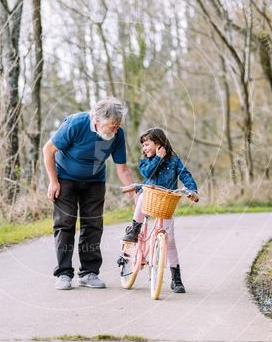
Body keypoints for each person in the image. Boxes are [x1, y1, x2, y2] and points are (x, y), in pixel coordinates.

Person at [42, 98, 136, 290]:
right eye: (113, 125)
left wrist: (136, 196)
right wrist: (53, 181)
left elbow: (123, 170)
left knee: (93, 224)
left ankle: (88, 272)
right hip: (65, 177)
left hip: (95, 181)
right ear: (98, 119)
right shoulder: (76, 124)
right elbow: (48, 149)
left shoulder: (117, 136)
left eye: (118, 126)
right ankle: (64, 273)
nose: (116, 130)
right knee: (65, 224)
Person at [121, 127, 198, 293]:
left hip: (166, 202)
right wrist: (157, 157)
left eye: (147, 144)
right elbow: (147, 172)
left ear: (159, 143)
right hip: (149, 199)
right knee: (142, 196)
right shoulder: (146, 161)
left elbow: (185, 175)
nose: (144, 148)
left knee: (170, 240)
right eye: (143, 146)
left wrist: (192, 190)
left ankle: (176, 279)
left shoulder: (174, 161)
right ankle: (135, 227)